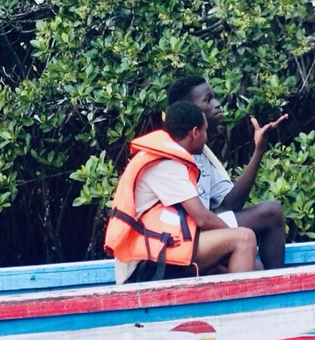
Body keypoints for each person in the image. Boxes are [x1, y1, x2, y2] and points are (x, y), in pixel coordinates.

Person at [106, 100, 257, 282]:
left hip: (159, 254)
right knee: (245, 239)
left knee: (224, 267)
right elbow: (203, 218)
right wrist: (233, 239)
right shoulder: (165, 164)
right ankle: (241, 309)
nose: (206, 138)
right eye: (205, 131)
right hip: (144, 267)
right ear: (195, 133)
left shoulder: (163, 156)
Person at [165, 75, 289, 269]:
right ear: (189, 110)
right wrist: (233, 234)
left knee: (257, 268)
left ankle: (272, 290)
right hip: (181, 241)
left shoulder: (202, 154)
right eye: (208, 100)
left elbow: (231, 204)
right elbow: (201, 219)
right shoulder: (170, 155)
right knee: (272, 212)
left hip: (203, 235)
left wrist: (258, 151)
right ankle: (279, 287)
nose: (217, 104)